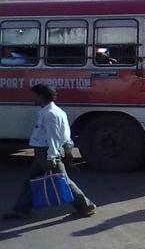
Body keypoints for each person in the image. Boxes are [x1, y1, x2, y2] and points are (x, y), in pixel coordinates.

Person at [3, 84, 96, 220]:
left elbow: (53, 137)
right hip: (43, 152)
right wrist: (67, 149)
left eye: (34, 96)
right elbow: (65, 135)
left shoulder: (50, 114)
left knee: (62, 181)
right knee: (32, 181)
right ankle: (21, 210)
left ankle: (85, 205)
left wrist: (51, 157)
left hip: (46, 152)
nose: (31, 99)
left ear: (41, 96)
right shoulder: (55, 111)